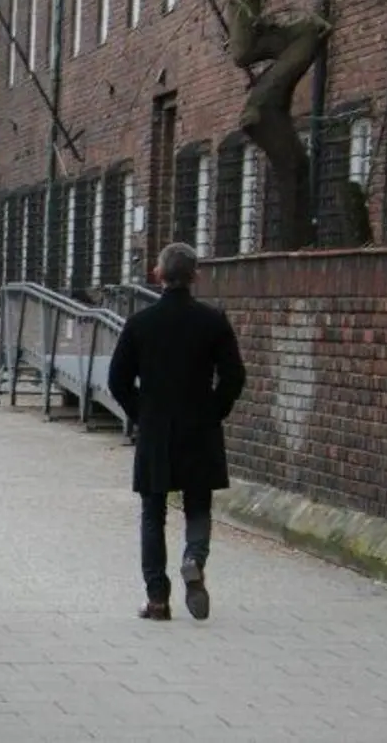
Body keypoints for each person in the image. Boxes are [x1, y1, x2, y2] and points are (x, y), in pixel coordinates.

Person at [108, 242, 245, 622]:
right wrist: (213, 411)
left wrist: (141, 414)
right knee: (197, 504)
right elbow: (235, 377)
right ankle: (193, 558)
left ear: (158, 275)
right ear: (196, 275)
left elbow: (117, 379)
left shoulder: (140, 324)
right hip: (199, 428)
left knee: (153, 513)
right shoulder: (213, 321)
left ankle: (156, 599)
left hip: (156, 430)